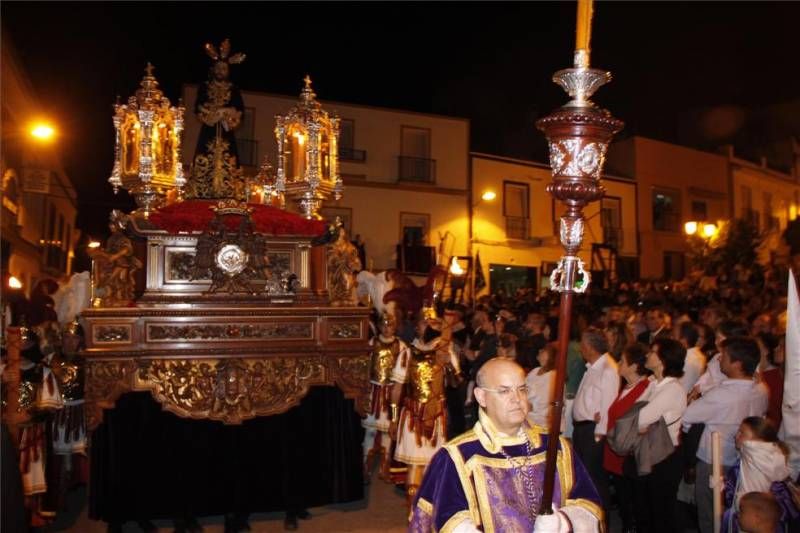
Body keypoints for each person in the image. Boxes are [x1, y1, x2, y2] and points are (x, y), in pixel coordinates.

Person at [408, 358, 603, 532]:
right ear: (481, 396)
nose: (517, 399)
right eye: (504, 391)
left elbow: (589, 503)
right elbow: (443, 519)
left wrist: (563, 522)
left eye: (522, 389)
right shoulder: (457, 457)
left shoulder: (556, 448)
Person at [683, 336, 769, 533]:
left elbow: (688, 417)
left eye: (724, 356)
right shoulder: (761, 390)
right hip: (743, 461)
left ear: (737, 364)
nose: (719, 359)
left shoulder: (721, 395)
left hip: (713, 460)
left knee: (709, 514)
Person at [390, 315, 460, 508]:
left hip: (437, 417)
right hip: (413, 416)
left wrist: (449, 366)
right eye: (424, 322)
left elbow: (455, 384)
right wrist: (394, 419)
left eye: (433, 323)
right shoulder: (407, 353)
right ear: (417, 328)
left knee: (433, 467)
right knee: (414, 467)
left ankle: (429, 511)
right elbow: (396, 389)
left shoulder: (446, 350)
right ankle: (414, 516)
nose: (428, 326)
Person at [633, 337, 688, 533]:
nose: (647, 354)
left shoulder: (672, 389)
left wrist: (636, 420)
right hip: (649, 453)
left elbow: (639, 418)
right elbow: (631, 413)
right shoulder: (652, 383)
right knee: (648, 508)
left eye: (653, 351)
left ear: (664, 359)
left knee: (661, 511)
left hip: (665, 456)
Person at [603, 343, 652, 533]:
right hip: (616, 452)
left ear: (633, 366)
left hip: (628, 455)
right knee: (624, 498)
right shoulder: (626, 386)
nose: (618, 363)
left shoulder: (645, 388)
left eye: (622, 361)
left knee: (633, 500)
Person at [572, 327, 619, 519]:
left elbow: (608, 405)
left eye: (583, 345)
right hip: (583, 429)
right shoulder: (593, 368)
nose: (580, 349)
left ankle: (600, 519)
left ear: (591, 347)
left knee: (594, 478)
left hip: (593, 433)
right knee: (584, 476)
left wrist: (599, 435)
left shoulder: (607, 369)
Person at [721, 417, 798, 533]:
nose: (736, 435)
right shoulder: (764, 456)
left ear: (757, 441)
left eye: (742, 433)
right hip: (751, 509)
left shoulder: (755, 454)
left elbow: (752, 447)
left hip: (752, 512)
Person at [362, 313, 410, 481]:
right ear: (380, 326)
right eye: (384, 325)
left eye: (390, 325)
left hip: (391, 392)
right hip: (374, 390)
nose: (387, 328)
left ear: (394, 327)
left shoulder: (401, 346)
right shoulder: (372, 343)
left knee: (388, 432)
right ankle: (366, 465)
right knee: (370, 430)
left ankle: (384, 465)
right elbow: (366, 365)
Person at [525, 343, 562, 431]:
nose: (539, 351)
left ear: (551, 356)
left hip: (541, 425)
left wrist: (529, 405)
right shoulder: (535, 371)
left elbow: (546, 403)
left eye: (544, 350)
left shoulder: (553, 377)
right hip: (527, 420)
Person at [677, 321, 707, 394]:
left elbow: (682, 390)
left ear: (683, 340)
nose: (670, 338)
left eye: (673, 336)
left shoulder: (688, 360)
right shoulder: (696, 355)